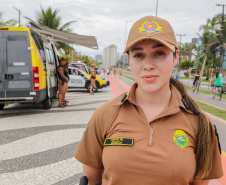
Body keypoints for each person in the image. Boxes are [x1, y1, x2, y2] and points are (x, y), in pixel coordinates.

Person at [75, 16, 223, 185]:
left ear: (175, 57)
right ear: (129, 59)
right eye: (138, 55)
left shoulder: (200, 122)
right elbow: (91, 179)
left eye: (159, 53)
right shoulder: (104, 115)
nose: (148, 65)